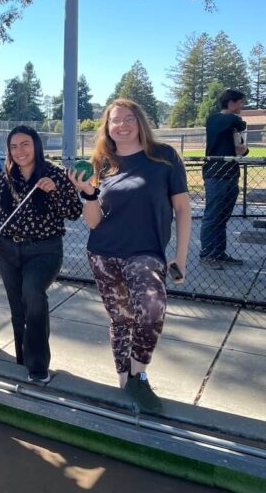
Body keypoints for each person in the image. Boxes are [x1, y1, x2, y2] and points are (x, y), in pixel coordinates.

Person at [69, 98, 191, 414]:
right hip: (104, 253)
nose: (121, 125)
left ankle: (138, 374)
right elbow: (94, 222)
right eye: (114, 120)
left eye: (128, 118)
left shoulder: (163, 157)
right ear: (107, 127)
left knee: (151, 309)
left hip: (146, 253)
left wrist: (180, 256)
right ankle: (125, 384)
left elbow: (182, 208)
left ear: (140, 122)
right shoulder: (102, 163)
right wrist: (88, 193)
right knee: (121, 320)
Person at [0, 126, 82, 384]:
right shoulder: (5, 178)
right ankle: (22, 360)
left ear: (36, 145)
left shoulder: (55, 175)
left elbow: (73, 211)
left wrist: (54, 190)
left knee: (33, 296)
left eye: (25, 144)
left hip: (44, 250)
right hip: (8, 250)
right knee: (17, 307)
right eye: (13, 146)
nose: (19, 151)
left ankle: (38, 366)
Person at [199, 88, 248, 270]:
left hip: (231, 173)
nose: (242, 106)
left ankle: (219, 252)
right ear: (231, 102)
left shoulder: (231, 125)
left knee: (222, 217)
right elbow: (238, 123)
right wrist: (238, 122)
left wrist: (244, 149)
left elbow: (240, 146)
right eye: (240, 102)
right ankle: (206, 254)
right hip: (216, 174)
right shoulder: (216, 119)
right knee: (212, 216)